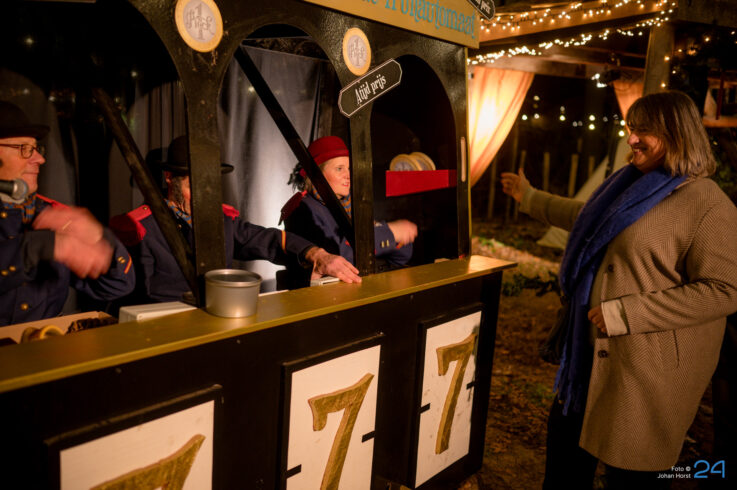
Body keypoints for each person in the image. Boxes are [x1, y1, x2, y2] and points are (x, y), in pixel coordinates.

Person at [500, 90, 737, 488]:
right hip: (586, 363)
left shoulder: (707, 204)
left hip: (643, 374)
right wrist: (531, 197)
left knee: (630, 479)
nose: (632, 139)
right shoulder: (630, 186)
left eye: (644, 131)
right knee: (563, 471)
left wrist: (627, 313)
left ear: (677, 134)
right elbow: (587, 218)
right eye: (632, 128)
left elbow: (724, 289)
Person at [110, 135, 361, 304]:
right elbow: (126, 297)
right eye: (192, 185)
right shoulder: (142, 228)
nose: (203, 196)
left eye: (209, 185)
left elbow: (268, 240)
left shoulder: (223, 221)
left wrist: (317, 254)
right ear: (169, 178)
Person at [0, 101, 135, 327]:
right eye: (24, 148)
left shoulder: (49, 214)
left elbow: (117, 286)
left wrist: (100, 239)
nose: (39, 159)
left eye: (36, 149)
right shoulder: (48, 232)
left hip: (49, 344)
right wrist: (39, 247)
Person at [280, 136, 417, 288]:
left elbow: (402, 255)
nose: (348, 175)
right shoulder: (302, 209)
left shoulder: (351, 205)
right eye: (339, 168)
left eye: (349, 168)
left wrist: (390, 236)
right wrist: (390, 233)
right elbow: (338, 258)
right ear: (317, 174)